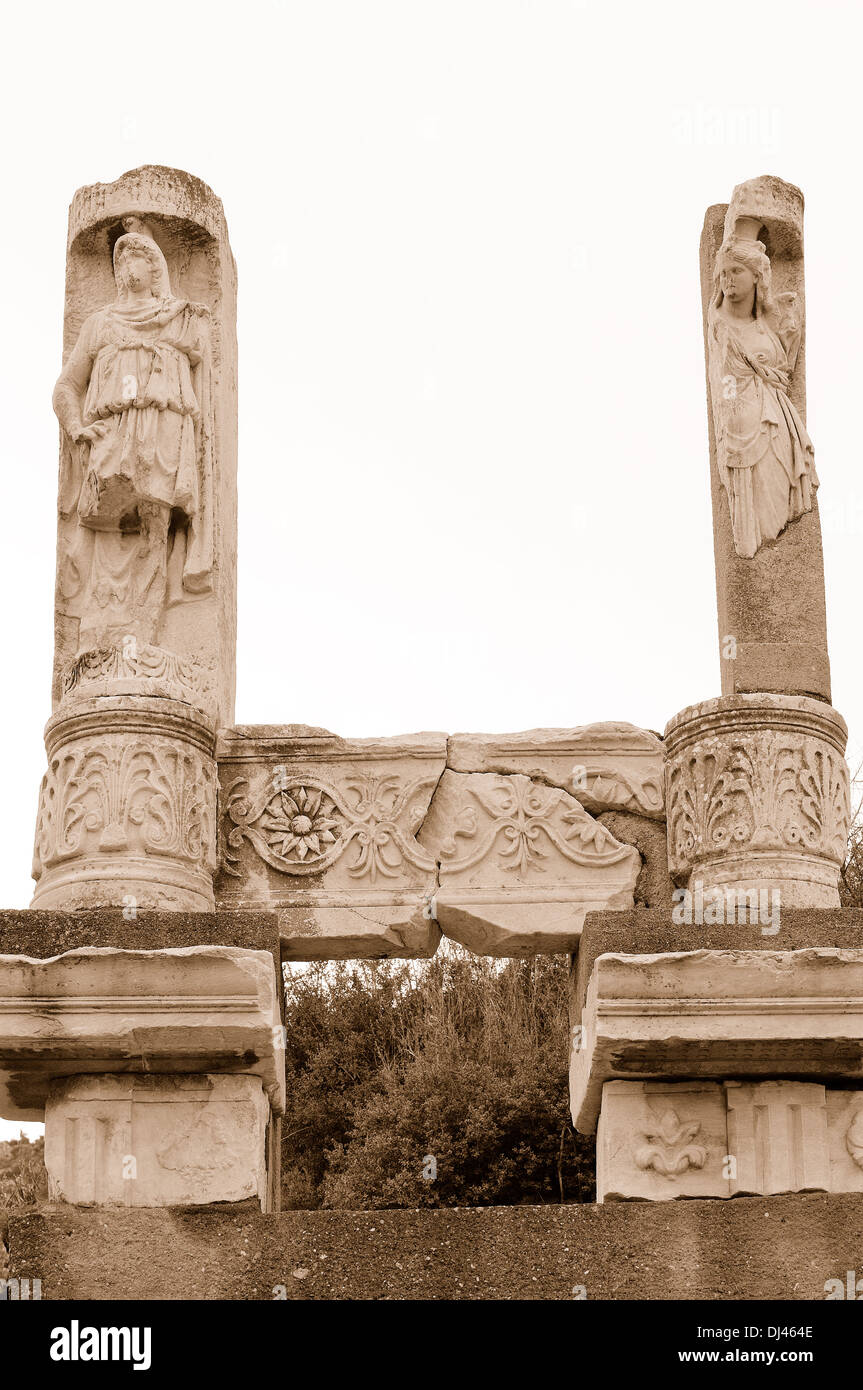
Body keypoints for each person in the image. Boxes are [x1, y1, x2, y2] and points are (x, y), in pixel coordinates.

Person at [53, 217, 213, 647]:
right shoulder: (100, 324)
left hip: (160, 437)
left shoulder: (175, 317)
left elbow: (200, 361)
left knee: (155, 525)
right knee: (106, 534)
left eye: (136, 254)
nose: (127, 264)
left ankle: (146, 628)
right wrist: (75, 426)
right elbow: (66, 386)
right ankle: (102, 630)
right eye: (120, 257)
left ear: (153, 266)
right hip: (110, 442)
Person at [707, 234, 816, 559]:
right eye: (723, 273)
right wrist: (733, 412)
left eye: (735, 272)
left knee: (779, 503)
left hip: (777, 425)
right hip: (744, 429)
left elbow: (783, 370)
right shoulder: (722, 328)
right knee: (761, 524)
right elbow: (725, 384)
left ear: (756, 276)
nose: (728, 280)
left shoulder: (766, 325)